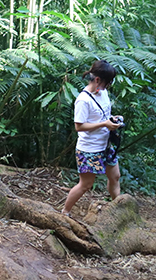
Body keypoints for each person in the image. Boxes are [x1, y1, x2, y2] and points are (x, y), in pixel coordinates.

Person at [61, 60, 123, 217]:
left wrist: (112, 119)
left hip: (106, 144)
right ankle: (65, 212)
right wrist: (104, 124)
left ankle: (118, 211)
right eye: (107, 82)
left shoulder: (103, 93)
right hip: (89, 148)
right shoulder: (83, 100)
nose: (108, 86)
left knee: (115, 176)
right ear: (97, 80)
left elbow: (103, 115)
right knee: (86, 184)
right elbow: (79, 126)